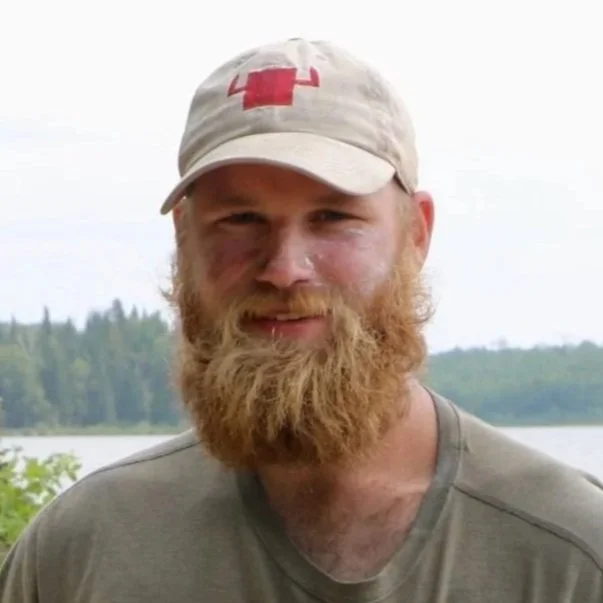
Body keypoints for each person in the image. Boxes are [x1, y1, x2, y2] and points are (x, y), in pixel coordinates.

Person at [1, 38, 602, 603]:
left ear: (416, 234)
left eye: (333, 218)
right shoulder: (83, 551)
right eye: (240, 219)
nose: (284, 269)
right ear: (184, 237)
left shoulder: (571, 555)